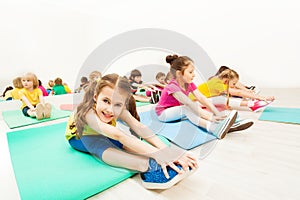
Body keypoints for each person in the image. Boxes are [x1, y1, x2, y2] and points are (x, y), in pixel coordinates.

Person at [65, 73, 198, 189]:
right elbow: (117, 134)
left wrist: (167, 151)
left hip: (104, 132)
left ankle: (158, 160)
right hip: (80, 137)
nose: (110, 110)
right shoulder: (88, 114)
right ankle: (145, 166)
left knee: (127, 142)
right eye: (105, 101)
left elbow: (139, 127)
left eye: (117, 104)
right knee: (102, 145)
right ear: (95, 97)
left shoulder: (118, 108)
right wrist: (158, 154)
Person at [155, 55, 238, 139]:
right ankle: (214, 128)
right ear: (179, 73)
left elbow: (201, 98)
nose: (194, 75)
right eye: (190, 72)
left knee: (195, 106)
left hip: (177, 111)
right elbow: (188, 103)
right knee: (187, 108)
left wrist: (217, 114)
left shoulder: (189, 84)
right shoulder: (172, 86)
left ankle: (221, 122)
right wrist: (209, 117)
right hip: (163, 113)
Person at [192, 69, 275, 112]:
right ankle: (253, 104)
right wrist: (261, 98)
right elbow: (238, 92)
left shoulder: (217, 80)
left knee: (222, 99)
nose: (234, 85)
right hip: (193, 102)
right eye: (234, 83)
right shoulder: (217, 84)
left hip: (198, 100)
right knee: (222, 99)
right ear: (226, 80)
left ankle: (252, 104)